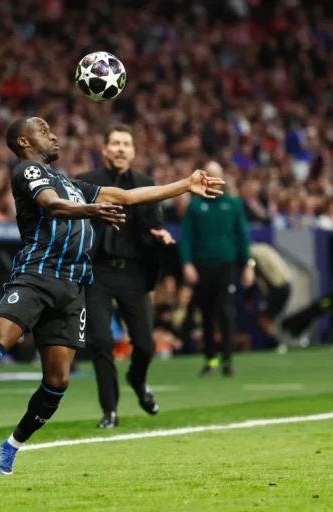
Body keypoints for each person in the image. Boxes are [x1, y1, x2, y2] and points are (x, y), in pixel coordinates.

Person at [0, 116, 224, 475]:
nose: (54, 136)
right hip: (37, 277)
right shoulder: (27, 172)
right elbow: (51, 205)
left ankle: (11, 446)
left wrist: (185, 185)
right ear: (23, 142)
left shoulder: (70, 183)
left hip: (73, 288)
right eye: (44, 131)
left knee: (58, 381)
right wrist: (91, 211)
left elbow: (127, 196)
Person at [76, 124, 175, 429]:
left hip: (133, 272)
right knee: (101, 341)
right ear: (104, 149)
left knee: (145, 345)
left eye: (126, 144)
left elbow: (155, 224)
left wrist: (160, 235)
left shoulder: (146, 184)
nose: (120, 148)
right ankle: (110, 411)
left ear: (133, 152)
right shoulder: (86, 183)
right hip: (98, 272)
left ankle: (137, 379)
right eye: (115, 143)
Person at [180, 162, 254, 377]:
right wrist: (187, 263)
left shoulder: (233, 205)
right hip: (203, 267)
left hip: (226, 267)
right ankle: (210, 358)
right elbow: (187, 237)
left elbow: (243, 236)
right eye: (209, 175)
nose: (212, 179)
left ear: (222, 178)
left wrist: (248, 265)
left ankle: (227, 359)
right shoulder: (195, 206)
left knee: (226, 313)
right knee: (206, 314)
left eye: (216, 176)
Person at [244, 243, 292, 350]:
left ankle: (276, 343)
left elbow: (251, 270)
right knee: (268, 317)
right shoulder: (262, 248)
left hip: (277, 286)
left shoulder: (251, 254)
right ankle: (275, 343)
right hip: (285, 284)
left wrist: (248, 297)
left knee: (264, 317)